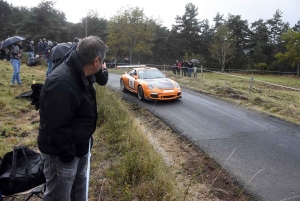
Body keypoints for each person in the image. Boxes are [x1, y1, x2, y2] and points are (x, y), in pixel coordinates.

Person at [37, 36, 109, 201]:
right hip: (62, 154)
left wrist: (84, 144)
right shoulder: (62, 82)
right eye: (103, 60)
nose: (104, 64)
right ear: (96, 61)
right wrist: (69, 154)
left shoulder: (83, 72)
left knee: (79, 193)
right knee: (58, 197)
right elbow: (54, 127)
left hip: (80, 147)